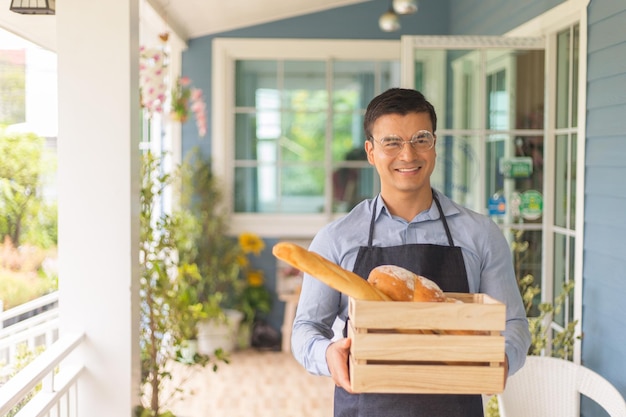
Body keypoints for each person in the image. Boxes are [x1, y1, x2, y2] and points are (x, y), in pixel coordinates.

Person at [291, 88, 531, 417]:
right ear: (371, 152)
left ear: (434, 146)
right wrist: (328, 353)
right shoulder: (337, 239)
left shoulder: (480, 234)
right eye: (392, 142)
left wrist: (502, 358)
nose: (408, 155)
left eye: (420, 139)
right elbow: (306, 328)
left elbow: (513, 322)